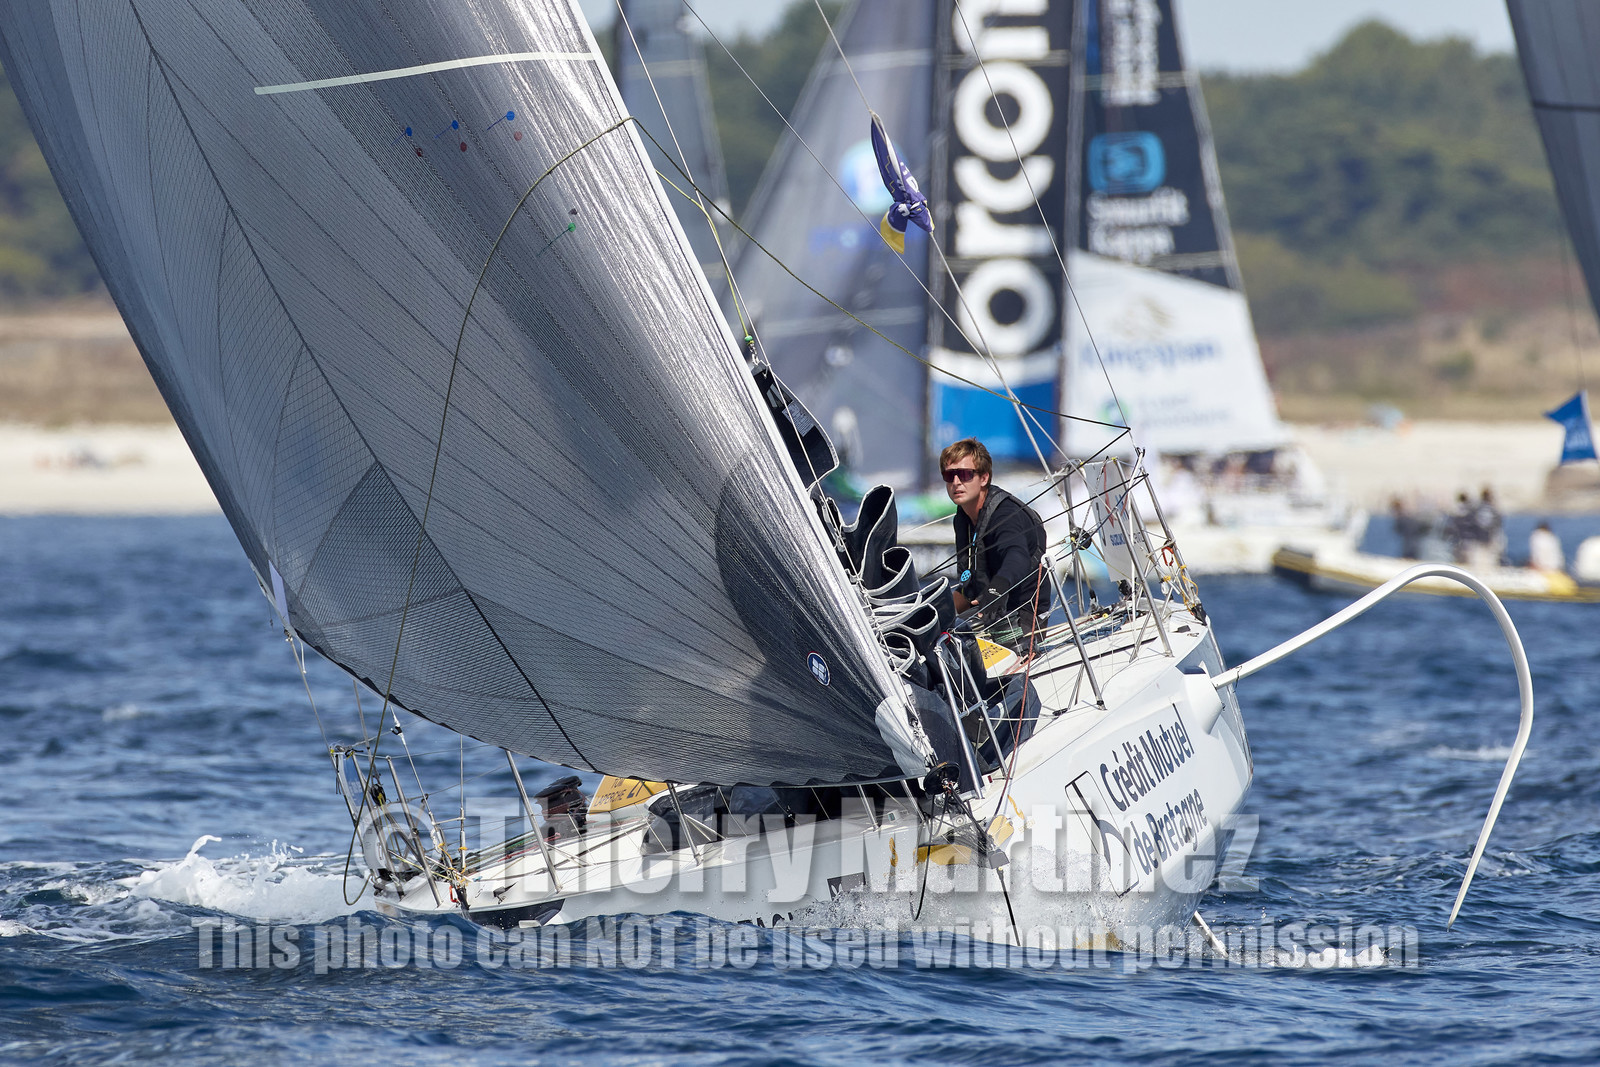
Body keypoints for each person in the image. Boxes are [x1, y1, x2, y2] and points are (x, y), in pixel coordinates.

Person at [941, 438, 1050, 647]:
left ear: (983, 478)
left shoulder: (1005, 515)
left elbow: (1016, 556)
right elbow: (968, 589)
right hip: (987, 612)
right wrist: (930, 614)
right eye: (949, 475)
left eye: (964, 474)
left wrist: (995, 590)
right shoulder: (962, 518)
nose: (956, 482)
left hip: (1023, 615)